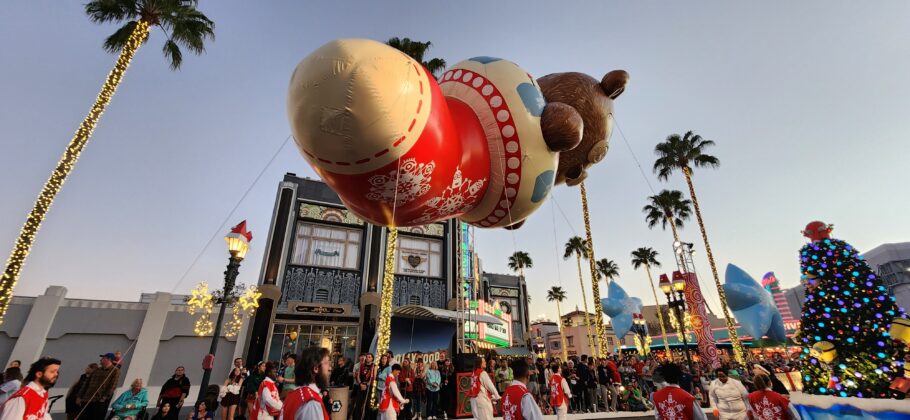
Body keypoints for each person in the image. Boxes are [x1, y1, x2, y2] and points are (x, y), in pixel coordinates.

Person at [282, 346, 333, 420]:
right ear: (316, 368)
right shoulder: (312, 403)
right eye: (326, 363)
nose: (330, 368)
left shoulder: (295, 393)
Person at [77, 353, 120, 420]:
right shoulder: (97, 370)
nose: (100, 360)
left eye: (103, 358)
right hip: (87, 398)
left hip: (99, 401)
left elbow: (112, 386)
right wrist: (79, 396)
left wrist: (104, 397)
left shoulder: (115, 371)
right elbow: (86, 383)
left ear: (109, 359)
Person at [351, 353, 374, 420]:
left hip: (368, 387)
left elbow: (373, 378)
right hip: (360, 386)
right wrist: (360, 384)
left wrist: (367, 385)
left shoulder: (373, 366)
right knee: (358, 404)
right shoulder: (362, 365)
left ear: (372, 358)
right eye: (367, 357)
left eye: (369, 357)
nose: (367, 358)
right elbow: (357, 376)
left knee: (367, 405)